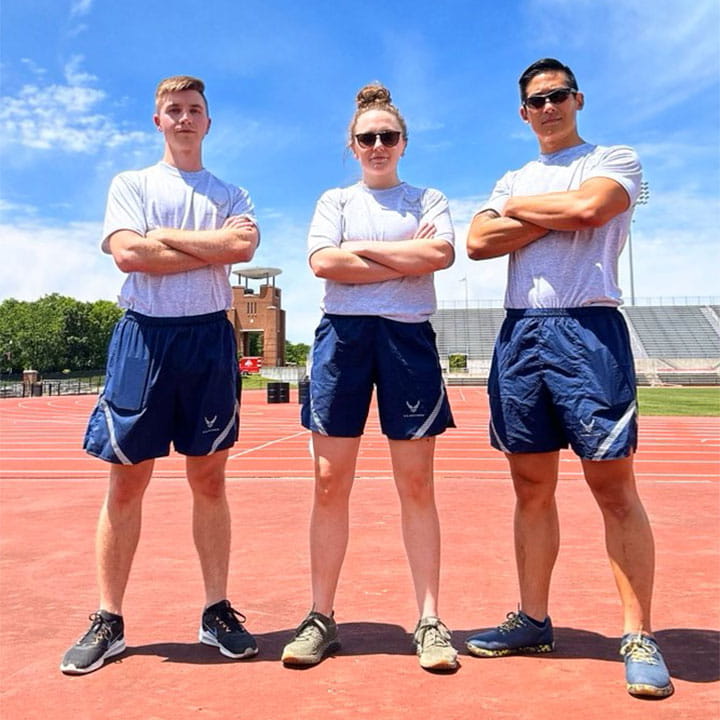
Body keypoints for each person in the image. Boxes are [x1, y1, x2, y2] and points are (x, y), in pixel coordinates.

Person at [464, 58, 673, 698]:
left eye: (558, 95)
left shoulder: (613, 158)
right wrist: (535, 213)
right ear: (523, 112)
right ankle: (532, 619)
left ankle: (637, 633)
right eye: (536, 100)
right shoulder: (513, 172)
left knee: (612, 485)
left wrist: (516, 214)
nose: (548, 106)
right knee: (530, 484)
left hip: (587, 327)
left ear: (577, 99)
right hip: (522, 329)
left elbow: (589, 209)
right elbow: (475, 241)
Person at [60, 75, 260, 675]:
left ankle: (216, 610)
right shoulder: (132, 184)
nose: (183, 118)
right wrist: (211, 246)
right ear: (157, 121)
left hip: (207, 337)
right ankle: (109, 618)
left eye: (194, 109)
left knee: (210, 479)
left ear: (208, 121)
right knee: (126, 481)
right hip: (143, 334)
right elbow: (128, 254)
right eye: (173, 110)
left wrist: (165, 238)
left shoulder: (231, 191)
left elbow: (242, 250)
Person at [281, 84, 458, 671]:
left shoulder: (427, 197)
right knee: (330, 483)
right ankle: (320, 615)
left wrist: (363, 254)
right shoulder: (334, 199)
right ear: (352, 145)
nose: (378, 145)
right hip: (343, 339)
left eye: (388, 136)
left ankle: (430, 619)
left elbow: (439, 257)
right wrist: (401, 254)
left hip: (408, 338)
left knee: (417, 485)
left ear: (403, 142)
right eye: (367, 138)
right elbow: (323, 263)